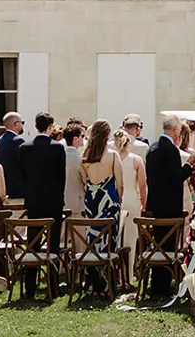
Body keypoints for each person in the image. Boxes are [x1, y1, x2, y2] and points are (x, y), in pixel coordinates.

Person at [18, 110, 69, 290]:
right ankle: (52, 283)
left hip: (33, 199)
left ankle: (30, 284)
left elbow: (23, 175)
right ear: (49, 127)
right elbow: (61, 176)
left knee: (33, 241)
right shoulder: (57, 147)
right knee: (53, 242)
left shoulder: (24, 148)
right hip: (53, 200)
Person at [140, 116, 189, 294]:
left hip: (156, 205)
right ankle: (163, 285)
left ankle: (156, 284)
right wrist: (189, 166)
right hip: (170, 207)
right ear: (176, 129)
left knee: (157, 244)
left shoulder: (152, 148)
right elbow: (177, 179)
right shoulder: (171, 150)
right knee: (168, 247)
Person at [78, 120, 122, 294]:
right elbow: (120, 184)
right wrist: (119, 201)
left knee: (93, 240)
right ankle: (107, 284)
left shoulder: (84, 157)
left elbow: (84, 181)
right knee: (109, 241)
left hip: (92, 201)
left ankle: (93, 283)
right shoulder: (112, 155)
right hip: (109, 201)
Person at [112, 126, 147, 280]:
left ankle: (116, 273)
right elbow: (142, 184)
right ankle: (129, 273)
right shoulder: (136, 160)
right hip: (132, 199)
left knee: (116, 238)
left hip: (117, 199)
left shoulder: (112, 159)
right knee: (131, 239)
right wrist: (144, 204)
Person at [0, 112, 28, 206]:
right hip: (18, 190)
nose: (22, 125)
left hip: (3, 188)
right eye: (22, 122)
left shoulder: (0, 140)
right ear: (16, 124)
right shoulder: (18, 141)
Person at [62, 121, 87, 224]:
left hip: (62, 202)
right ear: (75, 139)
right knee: (79, 238)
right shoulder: (80, 159)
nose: (84, 138)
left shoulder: (61, 157)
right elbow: (85, 180)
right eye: (82, 136)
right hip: (78, 203)